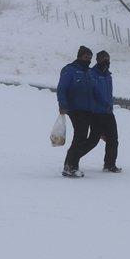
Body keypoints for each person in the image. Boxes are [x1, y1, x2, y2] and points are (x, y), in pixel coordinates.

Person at [56, 45, 99, 177]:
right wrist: (63, 105)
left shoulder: (89, 72)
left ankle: (70, 164)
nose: (89, 60)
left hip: (88, 109)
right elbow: (61, 88)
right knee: (80, 136)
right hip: (75, 108)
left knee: (83, 137)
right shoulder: (70, 70)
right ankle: (71, 166)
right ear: (80, 56)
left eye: (90, 58)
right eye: (86, 57)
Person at [91, 50, 121, 173]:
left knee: (113, 139)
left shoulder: (108, 75)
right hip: (96, 113)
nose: (106, 61)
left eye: (108, 59)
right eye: (104, 59)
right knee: (92, 141)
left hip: (108, 112)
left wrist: (109, 105)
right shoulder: (92, 74)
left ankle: (110, 164)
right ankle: (73, 159)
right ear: (98, 60)